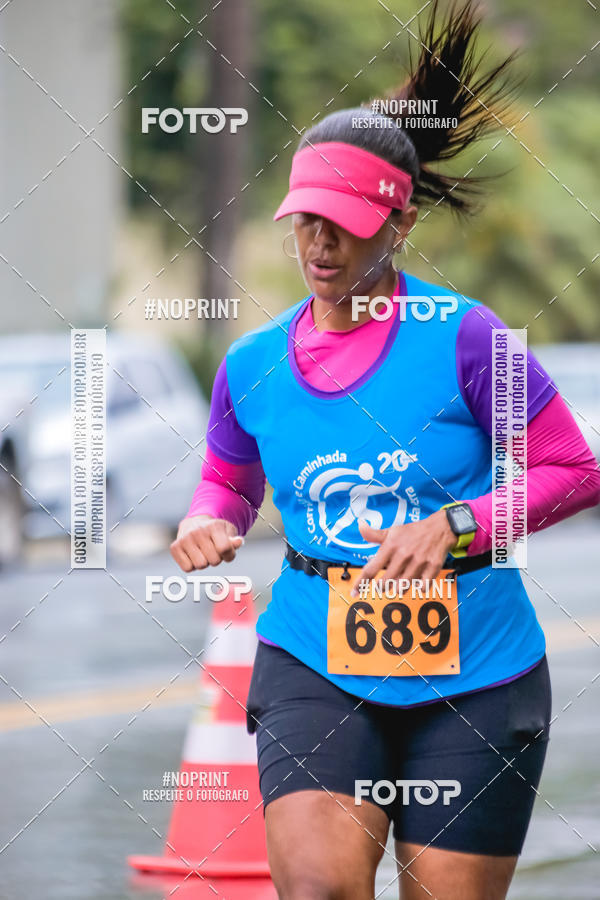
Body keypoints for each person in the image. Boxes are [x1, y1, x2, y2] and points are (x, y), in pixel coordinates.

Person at [170, 1, 600, 897]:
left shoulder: (469, 340)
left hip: (477, 669)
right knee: (323, 889)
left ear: (397, 226)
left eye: (343, 222)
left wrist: (457, 523)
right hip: (315, 658)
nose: (319, 243)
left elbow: (574, 468)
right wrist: (210, 517)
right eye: (304, 221)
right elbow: (227, 478)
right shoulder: (251, 363)